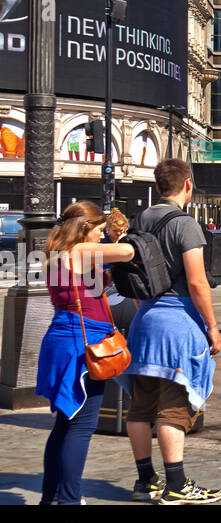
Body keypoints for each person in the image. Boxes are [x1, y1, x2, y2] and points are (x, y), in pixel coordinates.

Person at [124, 158, 221, 504]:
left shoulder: (141, 219)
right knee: (174, 408)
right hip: (177, 324)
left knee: (140, 406)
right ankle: (177, 484)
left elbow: (133, 273)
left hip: (144, 322)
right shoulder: (186, 224)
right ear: (188, 185)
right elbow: (196, 281)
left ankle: (144, 479)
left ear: (157, 186)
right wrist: (211, 325)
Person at [36, 202, 135, 505]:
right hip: (84, 346)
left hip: (62, 342)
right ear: (84, 228)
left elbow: (94, 284)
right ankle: (69, 500)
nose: (101, 236)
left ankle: (51, 498)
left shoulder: (55, 255)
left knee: (65, 424)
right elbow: (128, 253)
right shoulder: (79, 251)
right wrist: (126, 239)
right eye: (99, 230)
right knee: (81, 427)